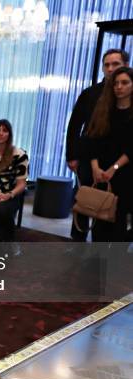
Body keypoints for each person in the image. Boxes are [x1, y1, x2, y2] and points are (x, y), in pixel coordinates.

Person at [66, 49, 129, 241]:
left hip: (119, 162)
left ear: (125, 65)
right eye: (106, 65)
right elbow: (75, 125)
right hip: (89, 157)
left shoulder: (127, 95)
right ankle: (76, 243)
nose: (110, 69)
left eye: (115, 64)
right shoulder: (90, 93)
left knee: (110, 206)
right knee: (86, 199)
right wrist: (71, 155)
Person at [87, 66, 133, 242]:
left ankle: (114, 265)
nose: (119, 87)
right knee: (99, 220)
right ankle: (97, 263)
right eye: (116, 83)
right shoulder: (104, 110)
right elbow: (92, 140)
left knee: (118, 221)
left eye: (125, 83)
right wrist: (95, 167)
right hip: (101, 172)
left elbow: (131, 149)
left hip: (125, 173)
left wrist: (114, 168)